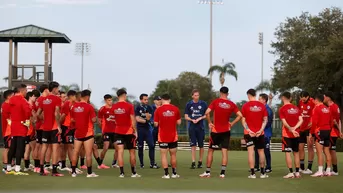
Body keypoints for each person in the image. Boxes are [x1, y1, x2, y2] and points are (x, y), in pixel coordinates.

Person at [199, 86, 243, 178]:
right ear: (227, 94)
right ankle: (222, 173)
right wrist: (232, 123)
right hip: (226, 131)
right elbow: (240, 115)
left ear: (220, 93)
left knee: (211, 151)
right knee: (224, 151)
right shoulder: (231, 104)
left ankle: (207, 172)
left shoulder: (215, 102)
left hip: (216, 131)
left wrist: (210, 122)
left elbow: (207, 112)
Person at [36, 81, 63, 176]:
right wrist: (59, 126)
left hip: (45, 128)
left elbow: (38, 114)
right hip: (54, 127)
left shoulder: (43, 100)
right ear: (55, 89)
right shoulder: (57, 99)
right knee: (55, 148)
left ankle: (41, 169)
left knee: (44, 147)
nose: (58, 90)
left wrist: (44, 120)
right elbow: (56, 113)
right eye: (58, 88)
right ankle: (54, 171)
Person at [70, 89, 98, 178]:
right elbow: (93, 120)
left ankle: (73, 172)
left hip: (78, 133)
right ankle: (89, 173)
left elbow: (72, 119)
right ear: (88, 97)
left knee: (75, 152)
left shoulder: (74, 107)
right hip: (88, 133)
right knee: (88, 153)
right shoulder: (89, 107)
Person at [113, 89, 140, 178]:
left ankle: (121, 173)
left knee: (120, 152)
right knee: (132, 152)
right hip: (129, 132)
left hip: (118, 132)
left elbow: (113, 118)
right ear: (125, 95)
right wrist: (135, 131)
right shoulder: (129, 106)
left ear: (117, 96)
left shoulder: (114, 106)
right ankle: (133, 173)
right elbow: (133, 119)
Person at [241, 89, 268, 179]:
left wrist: (249, 130)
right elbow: (265, 119)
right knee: (261, 152)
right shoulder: (262, 106)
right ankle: (263, 173)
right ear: (255, 94)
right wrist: (260, 130)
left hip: (249, 133)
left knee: (250, 153)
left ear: (248, 95)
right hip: (260, 133)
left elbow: (243, 120)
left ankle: (252, 174)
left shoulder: (245, 106)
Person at [154, 94, 181, 179]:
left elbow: (155, 124)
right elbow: (179, 122)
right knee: (173, 155)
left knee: (163, 155)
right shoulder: (176, 109)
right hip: (173, 135)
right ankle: (174, 173)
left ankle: (166, 174)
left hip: (162, 136)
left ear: (162, 100)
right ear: (169, 100)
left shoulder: (158, 110)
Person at [6, 84, 31, 175]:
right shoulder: (22, 100)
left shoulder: (11, 99)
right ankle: (17, 168)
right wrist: (26, 120)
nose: (26, 93)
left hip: (14, 125)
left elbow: (7, 110)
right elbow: (27, 111)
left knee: (12, 146)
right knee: (20, 147)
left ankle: (8, 167)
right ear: (21, 91)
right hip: (21, 125)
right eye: (25, 91)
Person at [279, 91, 303, 178]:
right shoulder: (296, 108)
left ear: (282, 98)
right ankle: (297, 172)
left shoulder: (282, 109)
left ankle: (290, 172)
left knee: (288, 153)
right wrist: (295, 128)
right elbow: (301, 120)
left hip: (287, 134)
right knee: (296, 153)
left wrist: (291, 129)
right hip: (296, 134)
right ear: (290, 98)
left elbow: (284, 122)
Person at [310, 94, 333, 177]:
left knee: (319, 152)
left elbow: (314, 122)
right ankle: (328, 170)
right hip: (327, 130)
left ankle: (320, 171)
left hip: (319, 131)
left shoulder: (316, 108)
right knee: (327, 151)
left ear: (316, 100)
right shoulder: (327, 109)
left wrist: (311, 133)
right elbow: (331, 121)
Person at [184, 89, 207, 169]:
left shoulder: (203, 104)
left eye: (198, 95)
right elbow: (186, 116)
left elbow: (206, 115)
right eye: (195, 95)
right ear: (192, 96)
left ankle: (200, 162)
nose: (197, 97)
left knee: (201, 145)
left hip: (201, 127)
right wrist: (192, 120)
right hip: (192, 127)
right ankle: (193, 162)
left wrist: (200, 118)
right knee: (193, 145)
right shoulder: (189, 104)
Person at [136, 93, 158, 169]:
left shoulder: (149, 107)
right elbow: (138, 119)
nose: (146, 101)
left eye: (147, 99)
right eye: (145, 99)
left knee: (152, 145)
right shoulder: (137, 107)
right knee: (140, 146)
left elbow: (149, 117)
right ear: (141, 100)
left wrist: (146, 119)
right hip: (140, 129)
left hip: (147, 129)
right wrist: (146, 120)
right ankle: (141, 164)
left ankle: (152, 163)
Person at [254, 93, 273, 173]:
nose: (258, 100)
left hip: (266, 134)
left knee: (266, 150)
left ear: (264, 100)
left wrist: (260, 128)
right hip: (259, 133)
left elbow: (268, 123)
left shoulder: (268, 110)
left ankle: (268, 167)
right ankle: (257, 166)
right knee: (257, 150)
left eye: (260, 99)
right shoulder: (260, 109)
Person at [324, 91, 342, 176]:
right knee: (331, 150)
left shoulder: (331, 108)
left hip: (331, 132)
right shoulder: (336, 107)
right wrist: (340, 131)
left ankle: (330, 169)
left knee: (329, 150)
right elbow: (339, 121)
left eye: (325, 97)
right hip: (334, 132)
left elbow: (335, 121)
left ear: (328, 98)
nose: (324, 98)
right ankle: (332, 169)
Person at [59, 90, 77, 172]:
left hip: (73, 128)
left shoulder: (76, 104)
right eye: (75, 96)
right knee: (68, 146)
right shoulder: (67, 103)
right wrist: (60, 126)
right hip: (66, 128)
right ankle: (72, 166)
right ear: (71, 96)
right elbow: (63, 116)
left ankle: (65, 165)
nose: (75, 98)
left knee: (68, 146)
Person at [298, 91, 315, 174]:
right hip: (301, 128)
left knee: (310, 146)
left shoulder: (312, 102)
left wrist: (312, 122)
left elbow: (315, 113)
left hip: (310, 128)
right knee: (300, 147)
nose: (302, 99)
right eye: (301, 97)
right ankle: (301, 167)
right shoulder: (300, 102)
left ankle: (309, 168)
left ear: (307, 96)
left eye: (303, 97)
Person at [98, 94, 117, 169]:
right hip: (106, 131)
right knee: (105, 147)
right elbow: (99, 121)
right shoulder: (102, 109)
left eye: (111, 100)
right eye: (109, 100)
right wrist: (103, 129)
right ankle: (100, 163)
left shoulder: (115, 108)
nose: (111, 101)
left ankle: (114, 163)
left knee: (118, 148)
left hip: (115, 131)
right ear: (105, 101)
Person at [23, 91, 39, 171]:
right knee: (35, 148)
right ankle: (37, 167)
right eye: (35, 97)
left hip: (25, 130)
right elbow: (33, 119)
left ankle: (26, 166)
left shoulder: (25, 104)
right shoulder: (30, 106)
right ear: (31, 96)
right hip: (31, 129)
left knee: (27, 149)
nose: (36, 99)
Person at [1, 89, 14, 172]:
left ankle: (9, 163)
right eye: (13, 95)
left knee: (9, 147)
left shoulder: (5, 105)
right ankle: (6, 165)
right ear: (9, 96)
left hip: (8, 129)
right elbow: (8, 119)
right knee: (7, 148)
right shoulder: (6, 105)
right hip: (8, 130)